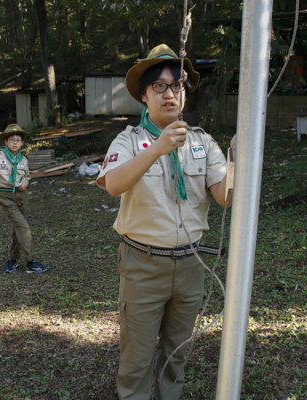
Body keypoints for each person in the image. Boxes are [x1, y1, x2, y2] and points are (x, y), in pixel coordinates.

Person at [96, 44, 237, 400]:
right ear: (144, 95)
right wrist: (156, 148)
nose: (170, 93)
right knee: (137, 355)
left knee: (178, 351)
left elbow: (225, 195)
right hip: (142, 263)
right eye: (159, 86)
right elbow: (113, 184)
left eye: (177, 85)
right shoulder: (129, 140)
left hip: (191, 264)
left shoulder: (202, 142)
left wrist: (239, 159)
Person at [0, 123, 50, 274]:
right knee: (23, 227)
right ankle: (31, 262)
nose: (15, 142)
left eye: (18, 140)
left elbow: (26, 175)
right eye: (11, 139)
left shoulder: (22, 159)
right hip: (5, 196)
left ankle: (12, 259)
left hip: (22, 196)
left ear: (21, 143)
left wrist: (26, 181)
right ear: (5, 142)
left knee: (18, 228)